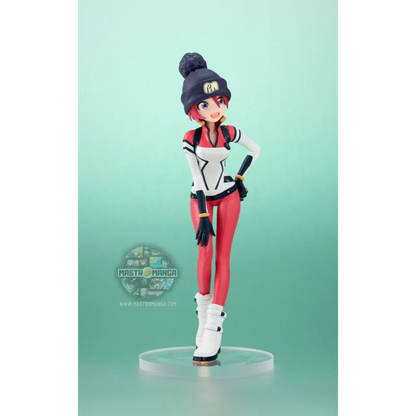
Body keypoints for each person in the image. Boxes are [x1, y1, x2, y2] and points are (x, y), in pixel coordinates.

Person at [179, 53, 261, 362]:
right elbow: (196, 177)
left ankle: (214, 325)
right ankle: (202, 318)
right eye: (204, 104)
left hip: (227, 195)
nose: (215, 108)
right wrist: (203, 213)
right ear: (193, 109)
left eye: (220, 100)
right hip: (200, 198)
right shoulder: (190, 138)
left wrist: (239, 177)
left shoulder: (229, 132)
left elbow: (255, 149)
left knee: (223, 256)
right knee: (205, 252)